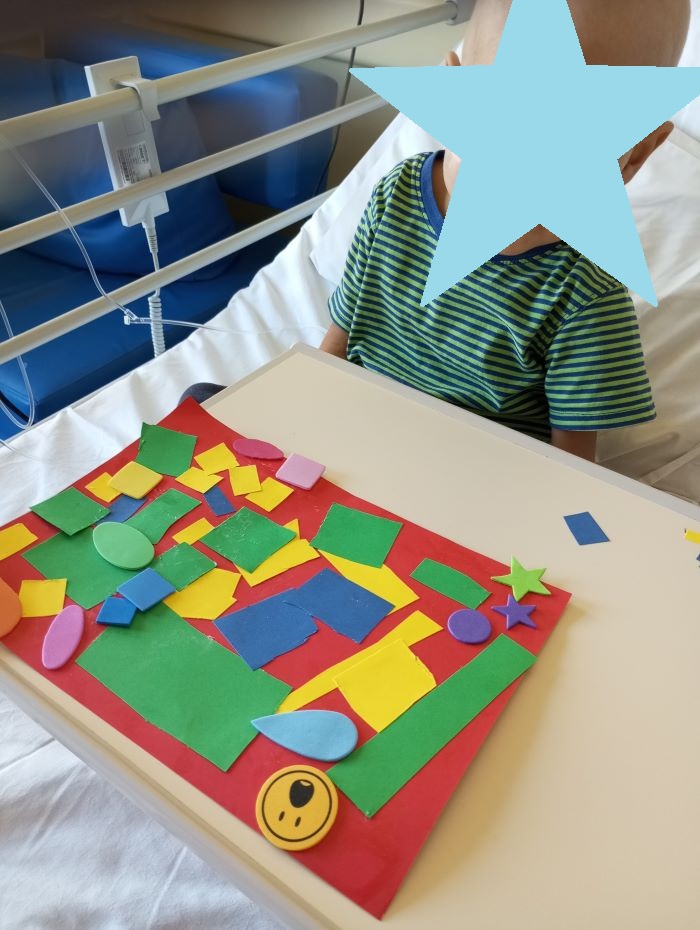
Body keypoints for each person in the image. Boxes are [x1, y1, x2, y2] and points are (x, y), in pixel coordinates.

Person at [320, 0, 691, 461]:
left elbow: (570, 467)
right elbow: (339, 338)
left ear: (637, 151)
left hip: (469, 475)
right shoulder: (397, 195)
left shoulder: (584, 296)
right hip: (348, 433)